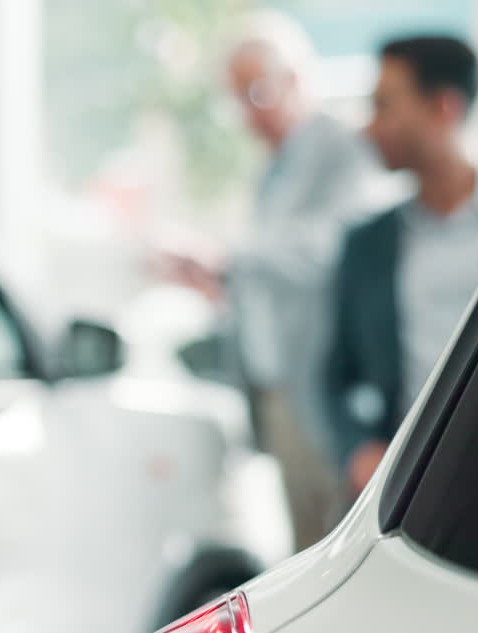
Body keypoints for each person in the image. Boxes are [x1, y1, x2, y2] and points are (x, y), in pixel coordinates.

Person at [171, 11, 386, 551]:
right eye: (236, 99)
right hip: (277, 392)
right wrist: (222, 282)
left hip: (324, 390)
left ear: (296, 79)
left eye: (257, 93)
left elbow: (328, 249)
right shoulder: (272, 170)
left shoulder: (340, 149)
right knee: (302, 547)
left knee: (338, 549)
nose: (248, 114)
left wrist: (230, 260)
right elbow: (267, 275)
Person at [323, 36, 478, 499]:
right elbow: (334, 377)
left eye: (384, 105)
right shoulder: (366, 244)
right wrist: (357, 448)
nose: (369, 128)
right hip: (406, 489)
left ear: (443, 107)